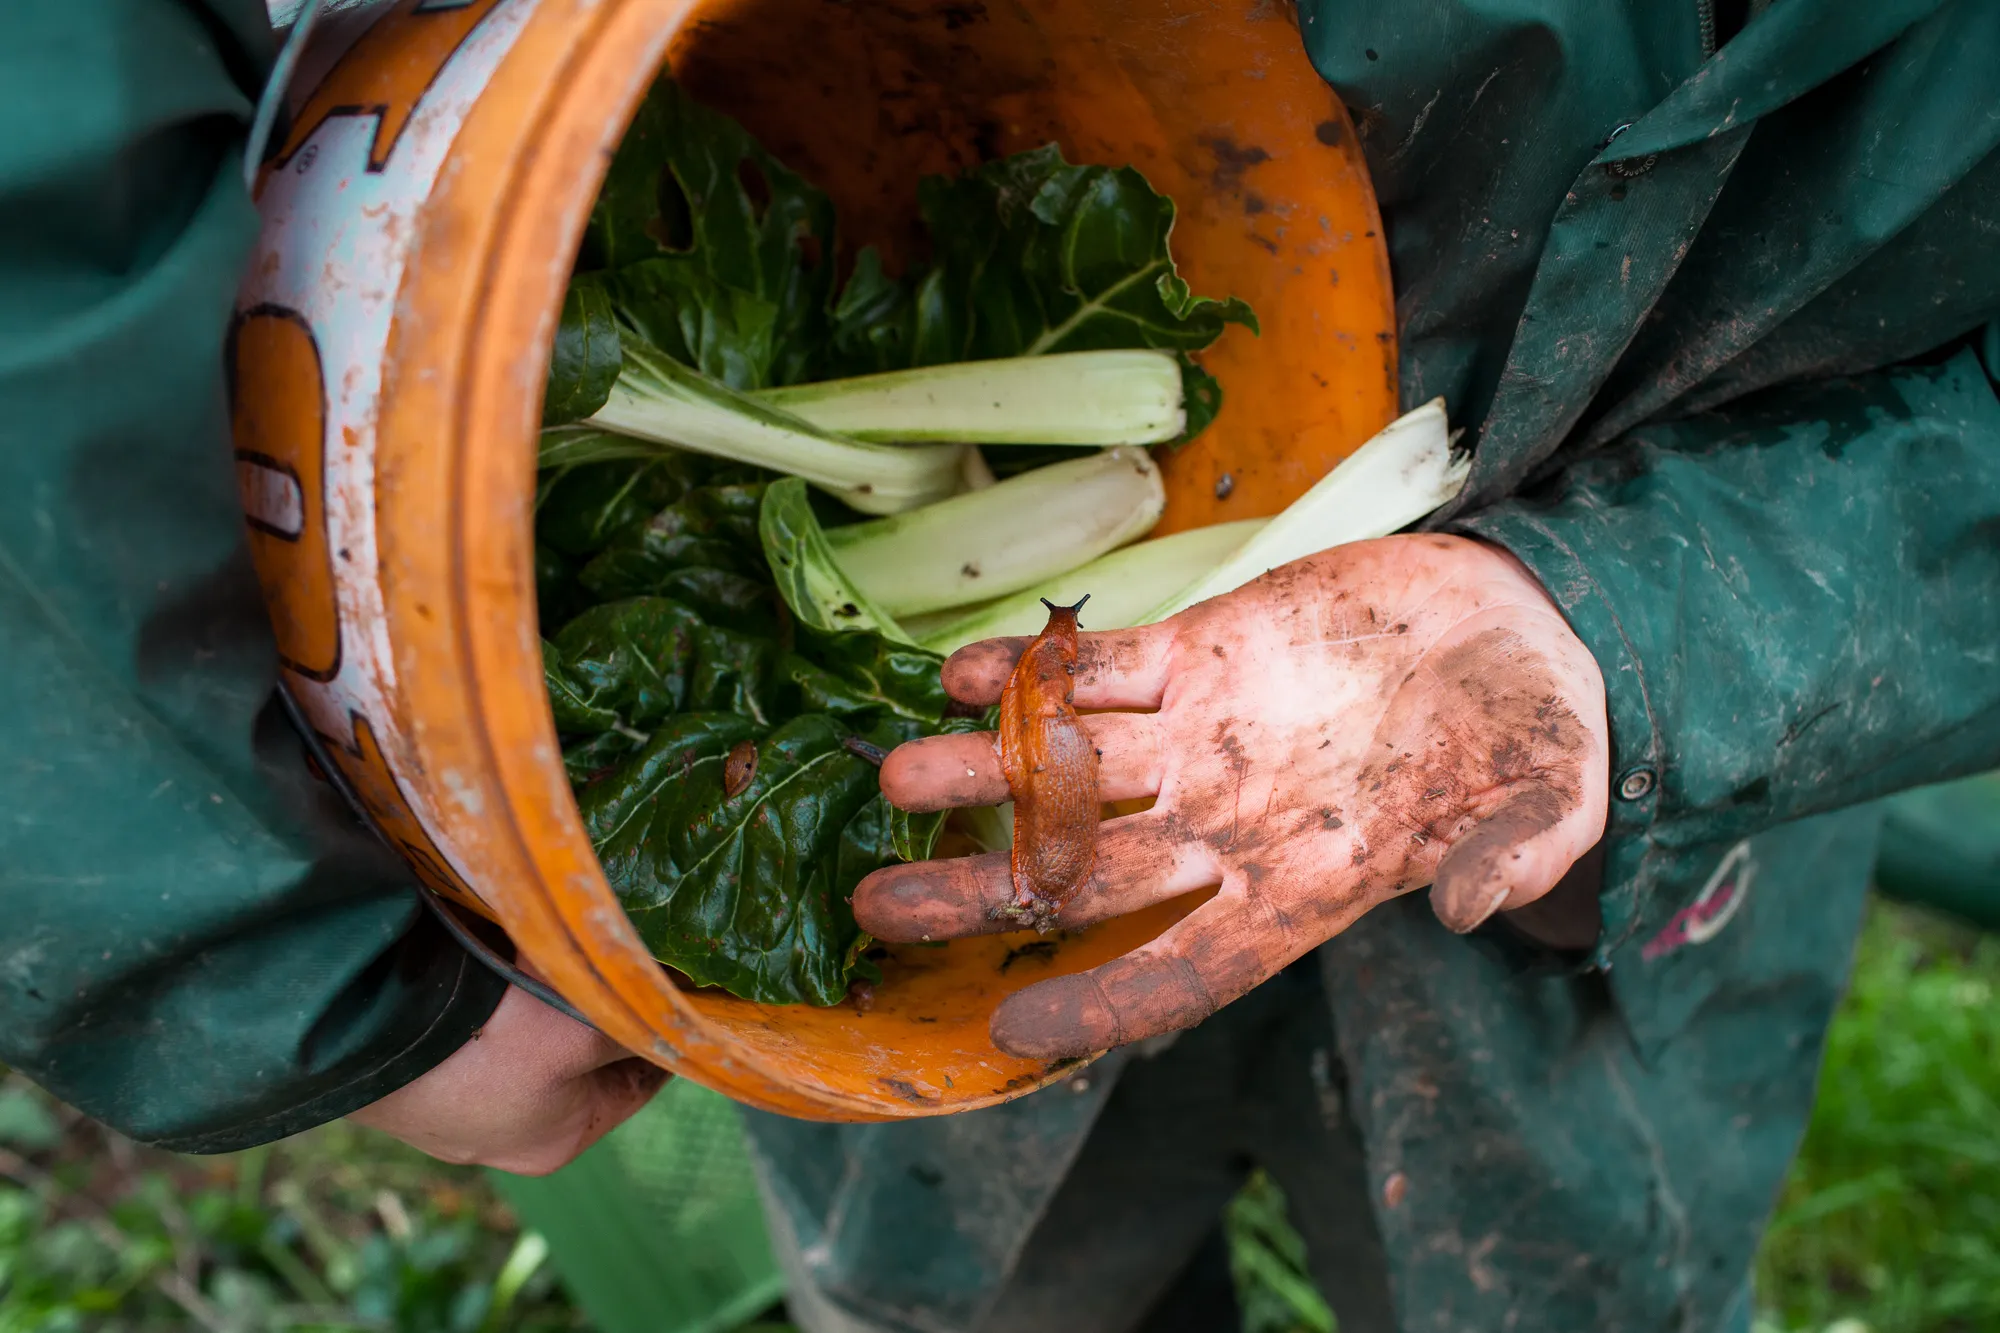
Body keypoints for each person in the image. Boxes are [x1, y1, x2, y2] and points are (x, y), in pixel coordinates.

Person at [2, 0, 1996, 1330]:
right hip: (933, 718)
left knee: (1559, 1269)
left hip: (1671, 666)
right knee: (991, 1274)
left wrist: (1625, 637)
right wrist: (294, 957)